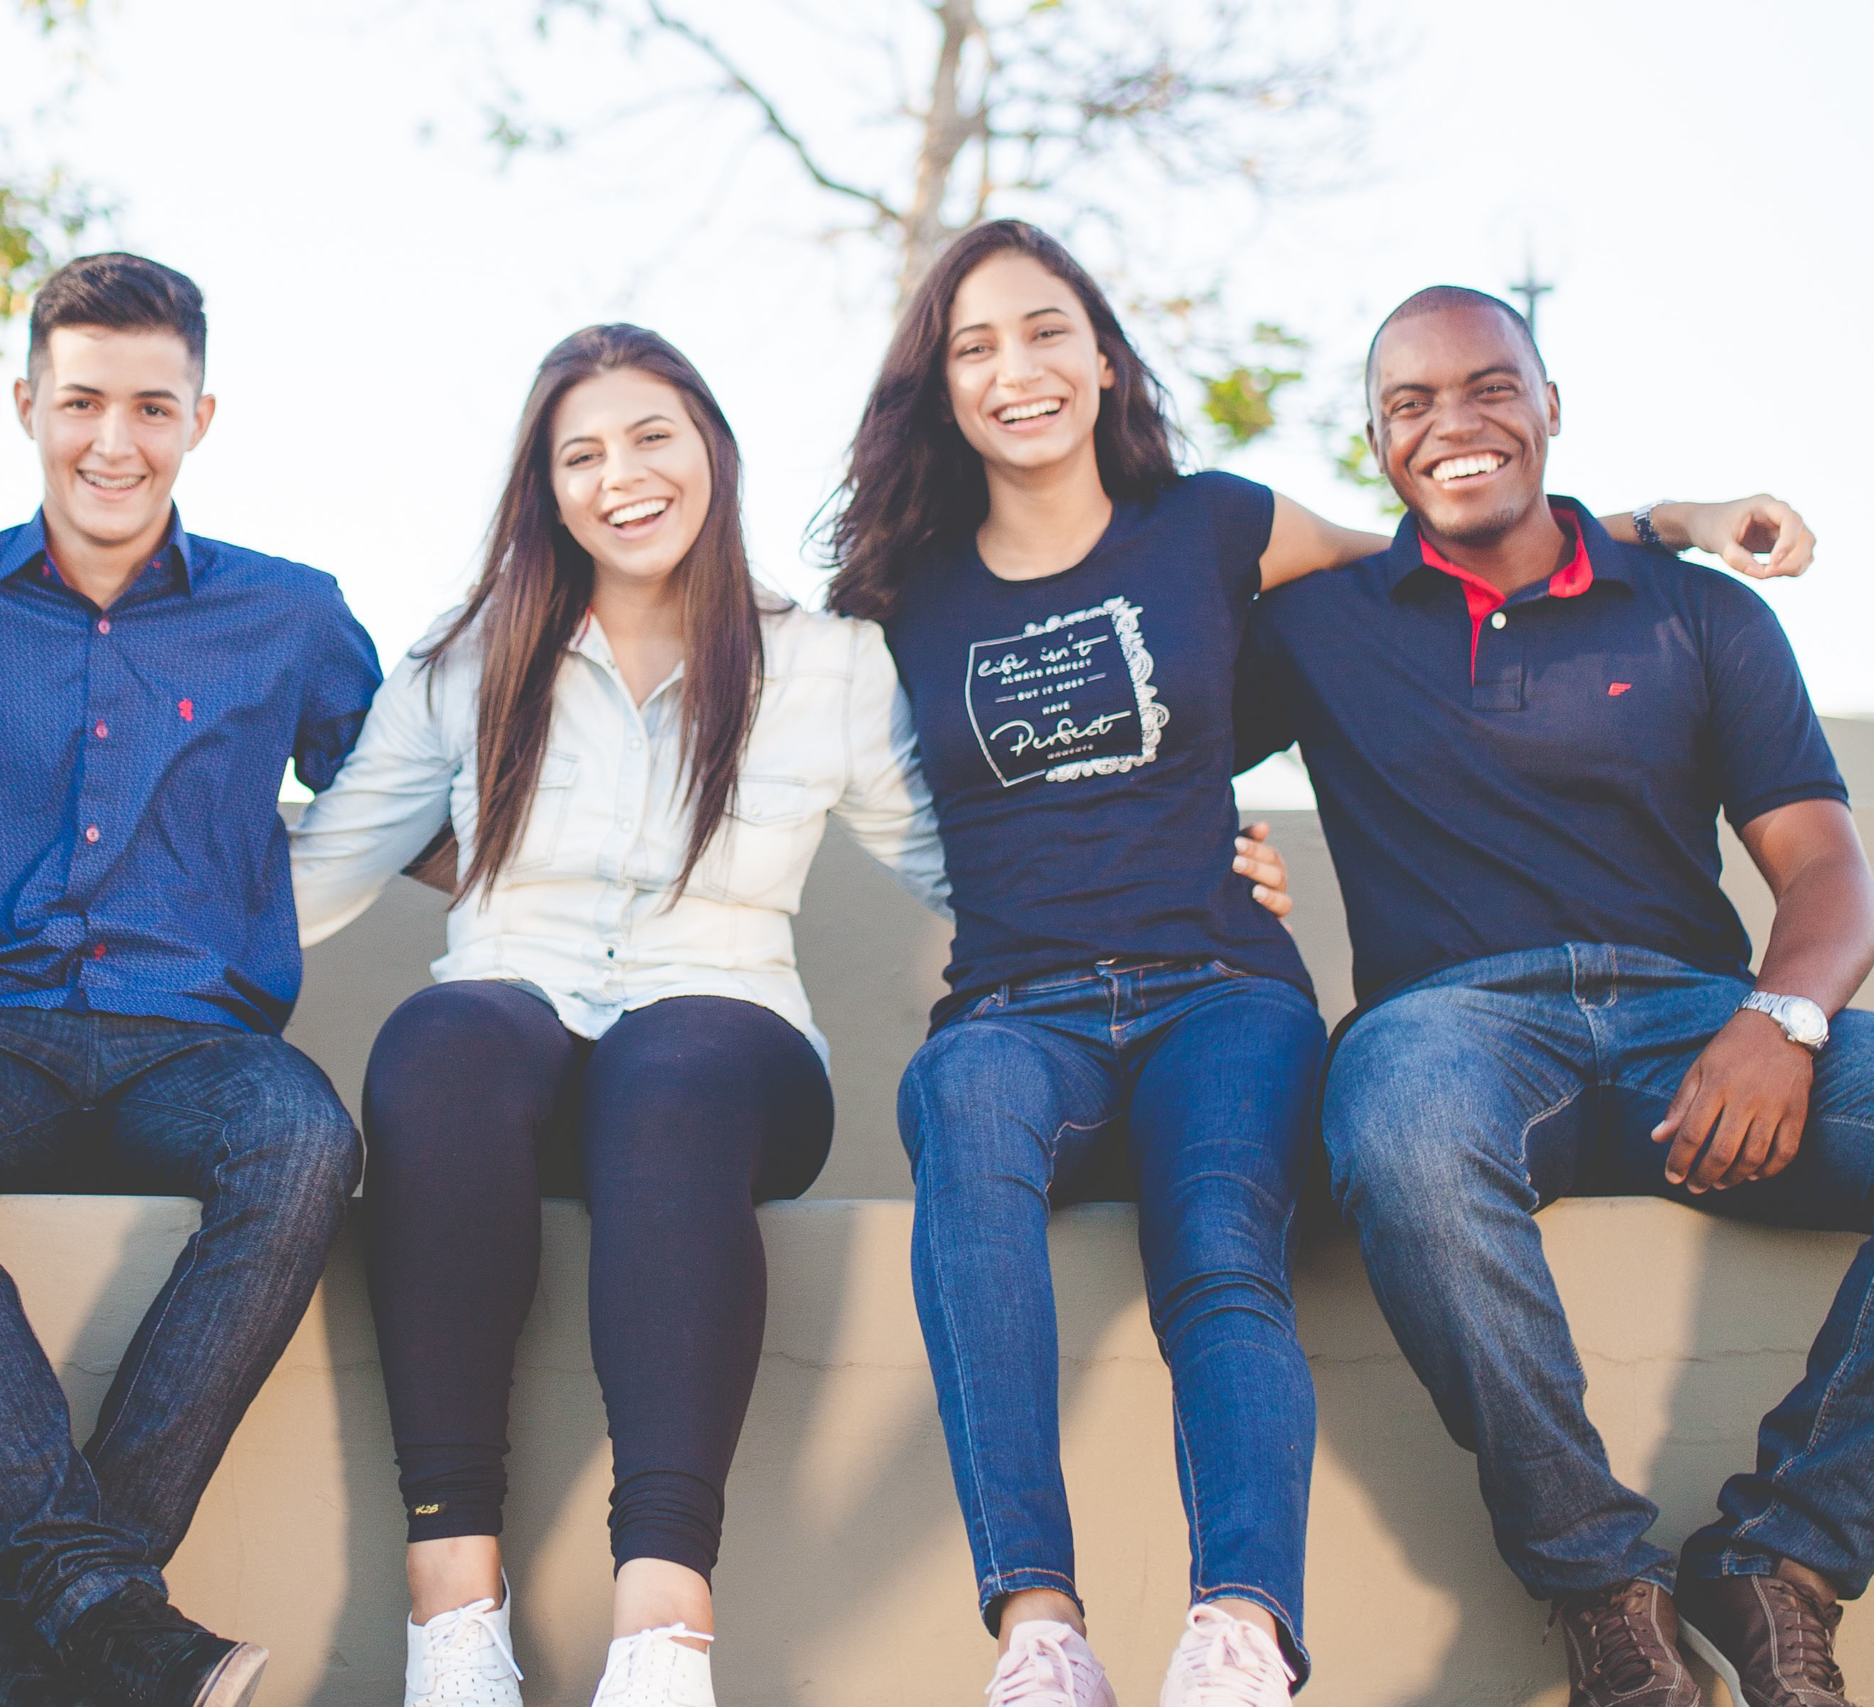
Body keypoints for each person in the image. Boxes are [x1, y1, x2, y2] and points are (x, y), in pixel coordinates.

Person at [822, 219, 1799, 1707]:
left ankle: (1242, 1633)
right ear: (939, 387)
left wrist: (1667, 520)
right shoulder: (900, 593)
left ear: (1101, 355)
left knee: (1221, 1246)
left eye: (1045, 331)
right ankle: (1037, 1631)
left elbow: (1451, 543)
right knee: (964, 1129)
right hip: (1017, 1008)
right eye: (975, 346)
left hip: (1221, 987)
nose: (1016, 369)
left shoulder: (1219, 525)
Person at [289, 323, 1293, 1707]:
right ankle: (454, 1627)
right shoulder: (465, 670)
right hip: (510, 1037)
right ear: (546, 491)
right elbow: (308, 883)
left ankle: (661, 1638)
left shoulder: (825, 666)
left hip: (728, 1047)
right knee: (439, 1040)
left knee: (673, 1061)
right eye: (580, 454)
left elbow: (984, 859)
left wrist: (1186, 855)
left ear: (712, 451)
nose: (621, 475)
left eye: (651, 437)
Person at [1238, 285, 1860, 1707]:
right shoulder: (1321, 627)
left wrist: (1782, 1020)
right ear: (1379, 443)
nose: (1452, 424)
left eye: (1490, 388)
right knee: (1393, 1123)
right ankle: (1601, 1587)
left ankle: (1784, 1557)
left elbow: (1826, 867)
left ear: (1551, 406)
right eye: (1410, 405)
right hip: (1451, 1033)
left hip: (1694, 1027)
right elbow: (1141, 716)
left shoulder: (1696, 612)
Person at [0, 253, 381, 1707]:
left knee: (305, 1138)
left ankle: (56, 1628)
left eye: (153, 404)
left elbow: (419, 794)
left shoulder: (293, 613)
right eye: (82, 402)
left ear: (204, 416)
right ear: (26, 403)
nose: (114, 441)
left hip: (195, 1049)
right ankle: (108, 1612)